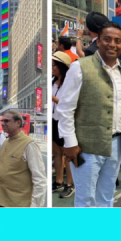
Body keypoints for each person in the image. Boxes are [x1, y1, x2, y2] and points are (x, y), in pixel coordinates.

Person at [55, 22, 121, 208]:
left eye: (117, 41)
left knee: (106, 197)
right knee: (85, 199)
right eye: (107, 39)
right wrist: (70, 143)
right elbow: (65, 108)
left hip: (115, 143)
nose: (112, 44)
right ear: (98, 42)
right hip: (86, 146)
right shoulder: (80, 67)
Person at [0, 110, 47, 207]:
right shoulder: (5, 143)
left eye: (7, 121)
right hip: (3, 201)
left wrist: (35, 206)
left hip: (21, 203)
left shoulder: (29, 144)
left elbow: (40, 180)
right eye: (2, 121)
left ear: (18, 123)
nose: (3, 123)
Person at [51, 51, 75, 198]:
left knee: (67, 154)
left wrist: (52, 98)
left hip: (65, 122)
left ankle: (70, 184)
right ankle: (59, 180)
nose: (52, 68)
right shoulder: (53, 82)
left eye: (54, 65)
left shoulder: (69, 83)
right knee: (57, 153)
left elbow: (68, 104)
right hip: (54, 120)